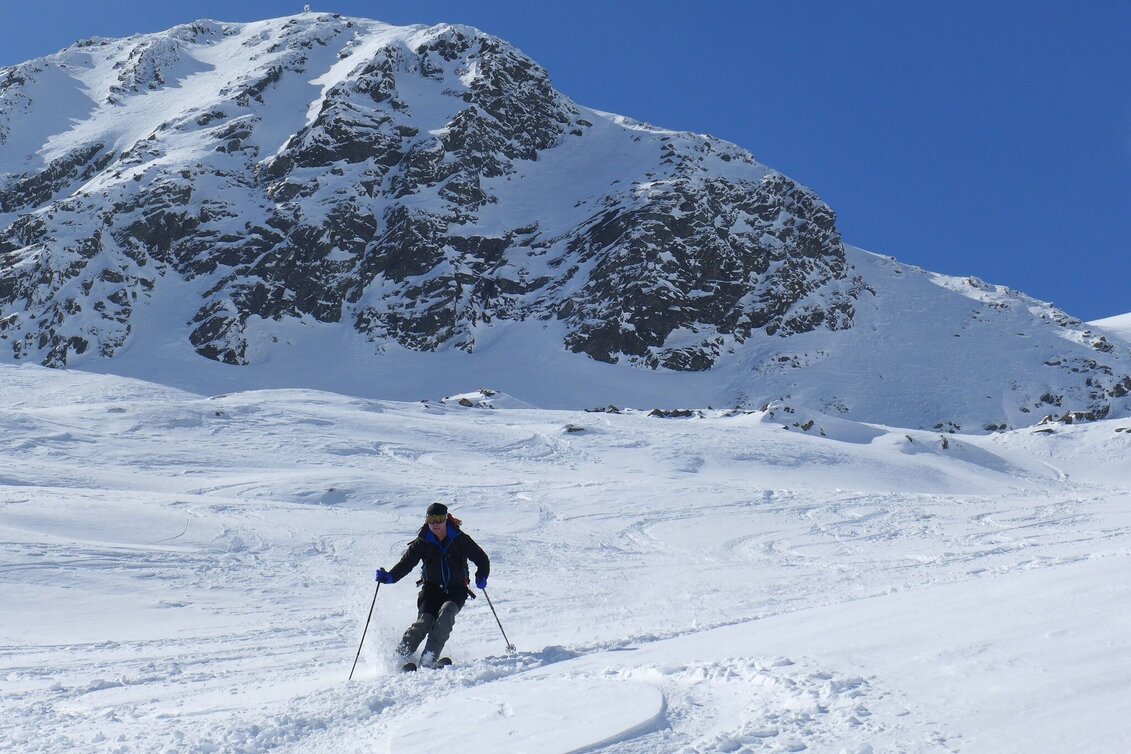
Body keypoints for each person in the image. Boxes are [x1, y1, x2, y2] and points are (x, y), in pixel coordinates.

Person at [375, 502, 490, 668]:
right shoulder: (423, 541)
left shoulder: (460, 539)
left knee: (446, 615)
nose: (435, 524)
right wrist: (390, 577)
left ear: (446, 519)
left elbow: (481, 558)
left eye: (439, 519)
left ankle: (428, 659)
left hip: (456, 590)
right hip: (431, 590)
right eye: (431, 520)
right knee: (424, 622)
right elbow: (406, 563)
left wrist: (482, 575)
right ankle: (398, 659)